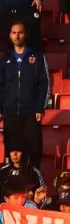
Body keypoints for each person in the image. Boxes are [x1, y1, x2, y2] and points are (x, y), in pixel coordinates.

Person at [0, 22, 48, 167]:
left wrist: (40, 107)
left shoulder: (37, 56)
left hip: (31, 112)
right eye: (14, 33)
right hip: (10, 111)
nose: (17, 36)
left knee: (33, 150)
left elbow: (44, 83)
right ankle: (12, 184)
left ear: (26, 34)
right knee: (12, 151)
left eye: (20, 32)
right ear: (10, 35)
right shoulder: (4, 58)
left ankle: (34, 182)